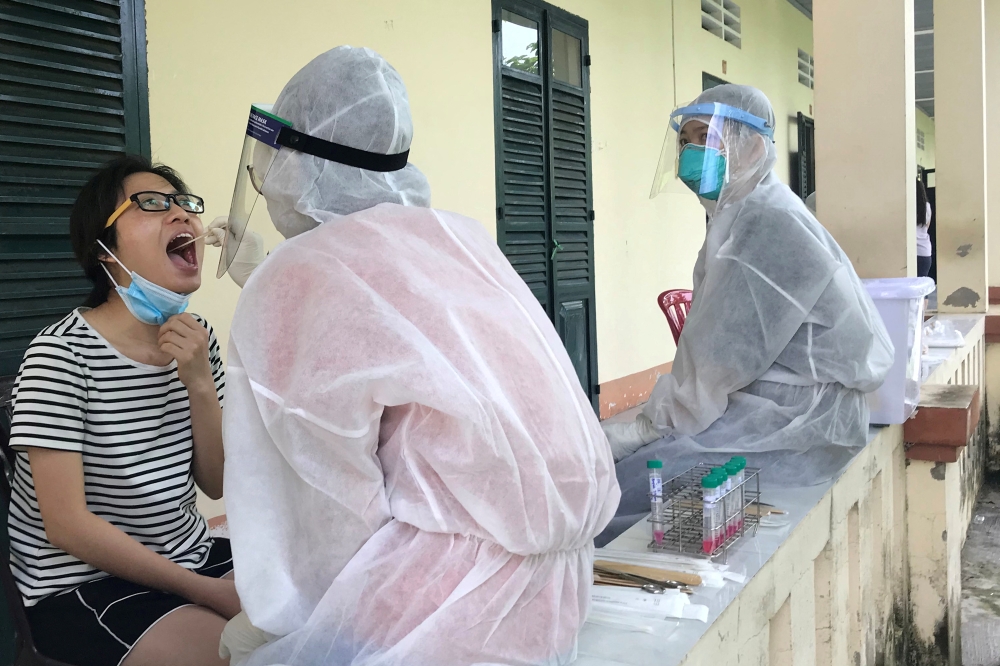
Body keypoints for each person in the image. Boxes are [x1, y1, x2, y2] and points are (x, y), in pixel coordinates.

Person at [216, 46, 619, 666]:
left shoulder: (308, 272)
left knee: (244, 644)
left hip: (445, 600)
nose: (266, 179)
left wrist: (272, 289)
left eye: (273, 159)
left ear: (299, 162)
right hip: (559, 585)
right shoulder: (459, 239)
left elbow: (322, 513)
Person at [602, 85, 893, 543]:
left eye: (705, 138)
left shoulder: (764, 224)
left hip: (797, 428)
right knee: (635, 484)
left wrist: (641, 429)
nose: (690, 154)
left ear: (753, 145)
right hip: (783, 413)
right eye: (685, 141)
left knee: (623, 495)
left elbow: (719, 360)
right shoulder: (743, 214)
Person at [6, 156, 238, 666]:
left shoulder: (197, 338)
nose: (181, 215)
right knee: (234, 657)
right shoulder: (61, 354)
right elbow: (67, 526)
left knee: (311, 613)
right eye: (151, 205)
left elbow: (217, 483)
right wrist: (205, 591)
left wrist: (200, 383)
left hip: (186, 552)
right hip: (83, 582)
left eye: (185, 204)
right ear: (104, 249)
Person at [916, 179, 933, 278]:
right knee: (922, 289)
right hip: (924, 251)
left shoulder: (906, 206)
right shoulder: (927, 207)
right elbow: (927, 226)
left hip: (909, 252)